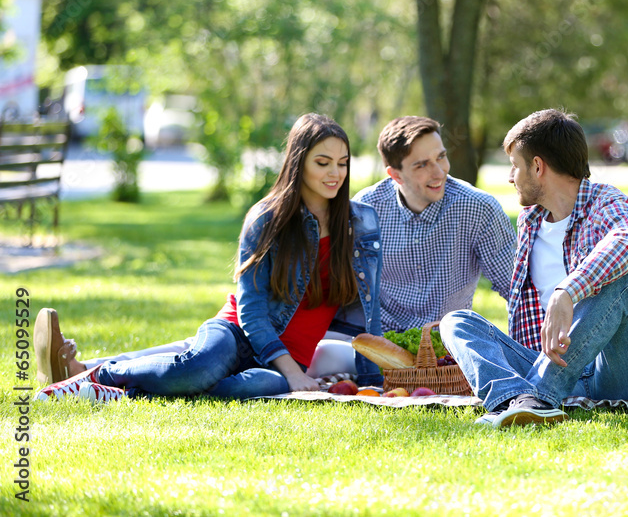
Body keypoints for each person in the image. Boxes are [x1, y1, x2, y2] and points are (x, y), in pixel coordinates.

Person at [35, 115, 515, 385]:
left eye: (441, 158)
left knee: (222, 369)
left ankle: (92, 370)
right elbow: (256, 309)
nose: (438, 172)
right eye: (422, 164)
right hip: (307, 338)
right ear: (394, 174)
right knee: (204, 357)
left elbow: (514, 285)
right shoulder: (356, 211)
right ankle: (88, 373)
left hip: (382, 348)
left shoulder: (372, 219)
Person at [34, 113, 383, 402]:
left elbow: (370, 313)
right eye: (323, 163)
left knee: (247, 389)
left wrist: (375, 383)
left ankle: (108, 388)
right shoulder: (267, 219)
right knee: (198, 368)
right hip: (235, 334)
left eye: (342, 164)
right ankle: (100, 375)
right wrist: (293, 373)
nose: (335, 174)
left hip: (283, 365)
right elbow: (251, 311)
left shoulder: (361, 223)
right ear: (298, 162)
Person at [440, 109, 628, 428]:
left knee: (620, 279)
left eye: (515, 165)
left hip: (622, 372)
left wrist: (567, 292)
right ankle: (513, 401)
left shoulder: (607, 202)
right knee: (457, 322)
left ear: (537, 166)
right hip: (559, 369)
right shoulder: (530, 221)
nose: (510, 177)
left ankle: (539, 398)